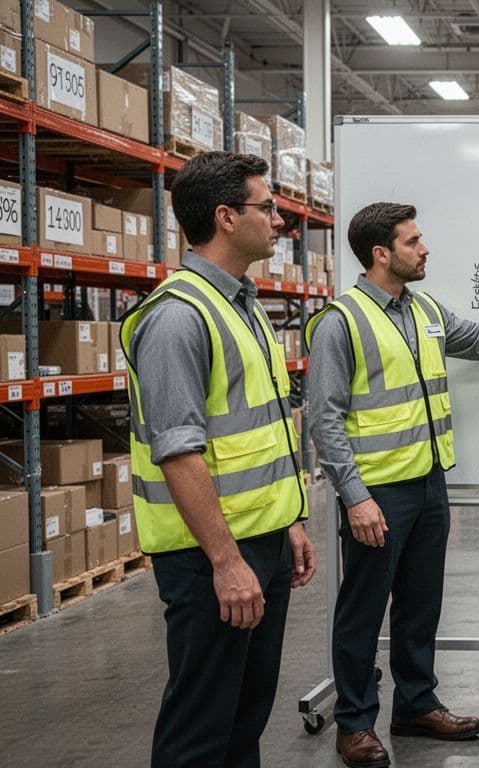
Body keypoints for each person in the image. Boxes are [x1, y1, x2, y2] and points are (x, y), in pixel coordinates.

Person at [306, 202, 479, 768]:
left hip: (429, 484)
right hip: (377, 495)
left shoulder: (425, 309)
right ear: (381, 253)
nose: (425, 249)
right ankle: (355, 723)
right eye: (413, 242)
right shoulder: (343, 321)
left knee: (420, 605)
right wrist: (354, 497)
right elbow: (324, 418)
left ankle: (416, 704)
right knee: (362, 612)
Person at [121, 151, 316, 768]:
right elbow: (178, 452)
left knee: (242, 721)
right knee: (201, 729)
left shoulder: (242, 304)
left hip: (260, 540)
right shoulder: (178, 317)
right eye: (268, 207)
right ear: (226, 217)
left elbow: (257, 432)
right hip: (210, 556)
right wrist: (227, 561)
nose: (279, 220)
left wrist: (287, 521)